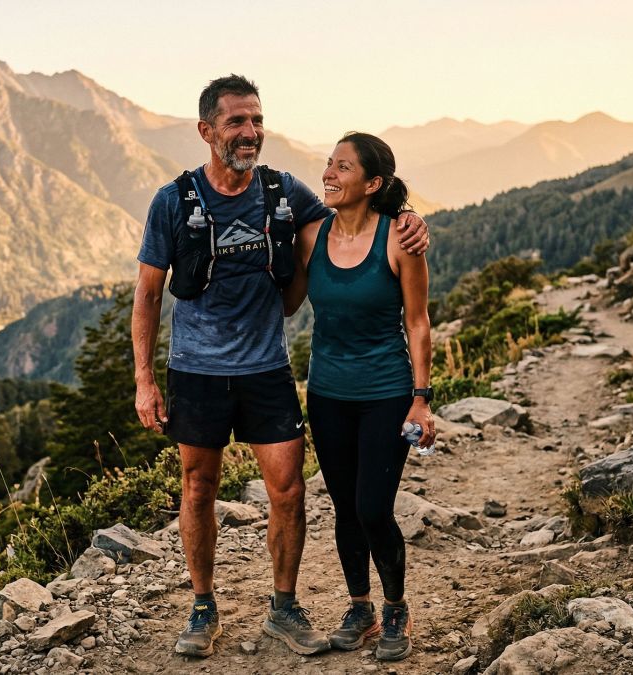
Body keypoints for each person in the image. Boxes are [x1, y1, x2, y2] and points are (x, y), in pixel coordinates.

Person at [131, 75, 429, 658]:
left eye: (257, 120)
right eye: (237, 122)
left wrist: (410, 218)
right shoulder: (173, 200)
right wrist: (143, 379)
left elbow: (359, 212)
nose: (251, 133)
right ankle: (202, 607)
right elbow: (146, 294)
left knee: (289, 492)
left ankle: (284, 607)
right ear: (206, 130)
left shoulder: (283, 192)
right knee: (198, 488)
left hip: (267, 367)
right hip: (195, 369)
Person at [282, 132, 434, 662]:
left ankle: (396, 608)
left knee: (373, 507)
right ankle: (360, 606)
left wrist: (422, 398)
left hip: (387, 393)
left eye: (342, 168)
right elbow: (287, 304)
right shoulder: (311, 237)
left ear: (372, 184)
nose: (328, 173)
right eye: (328, 163)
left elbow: (417, 322)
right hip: (326, 394)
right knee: (345, 508)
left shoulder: (400, 239)